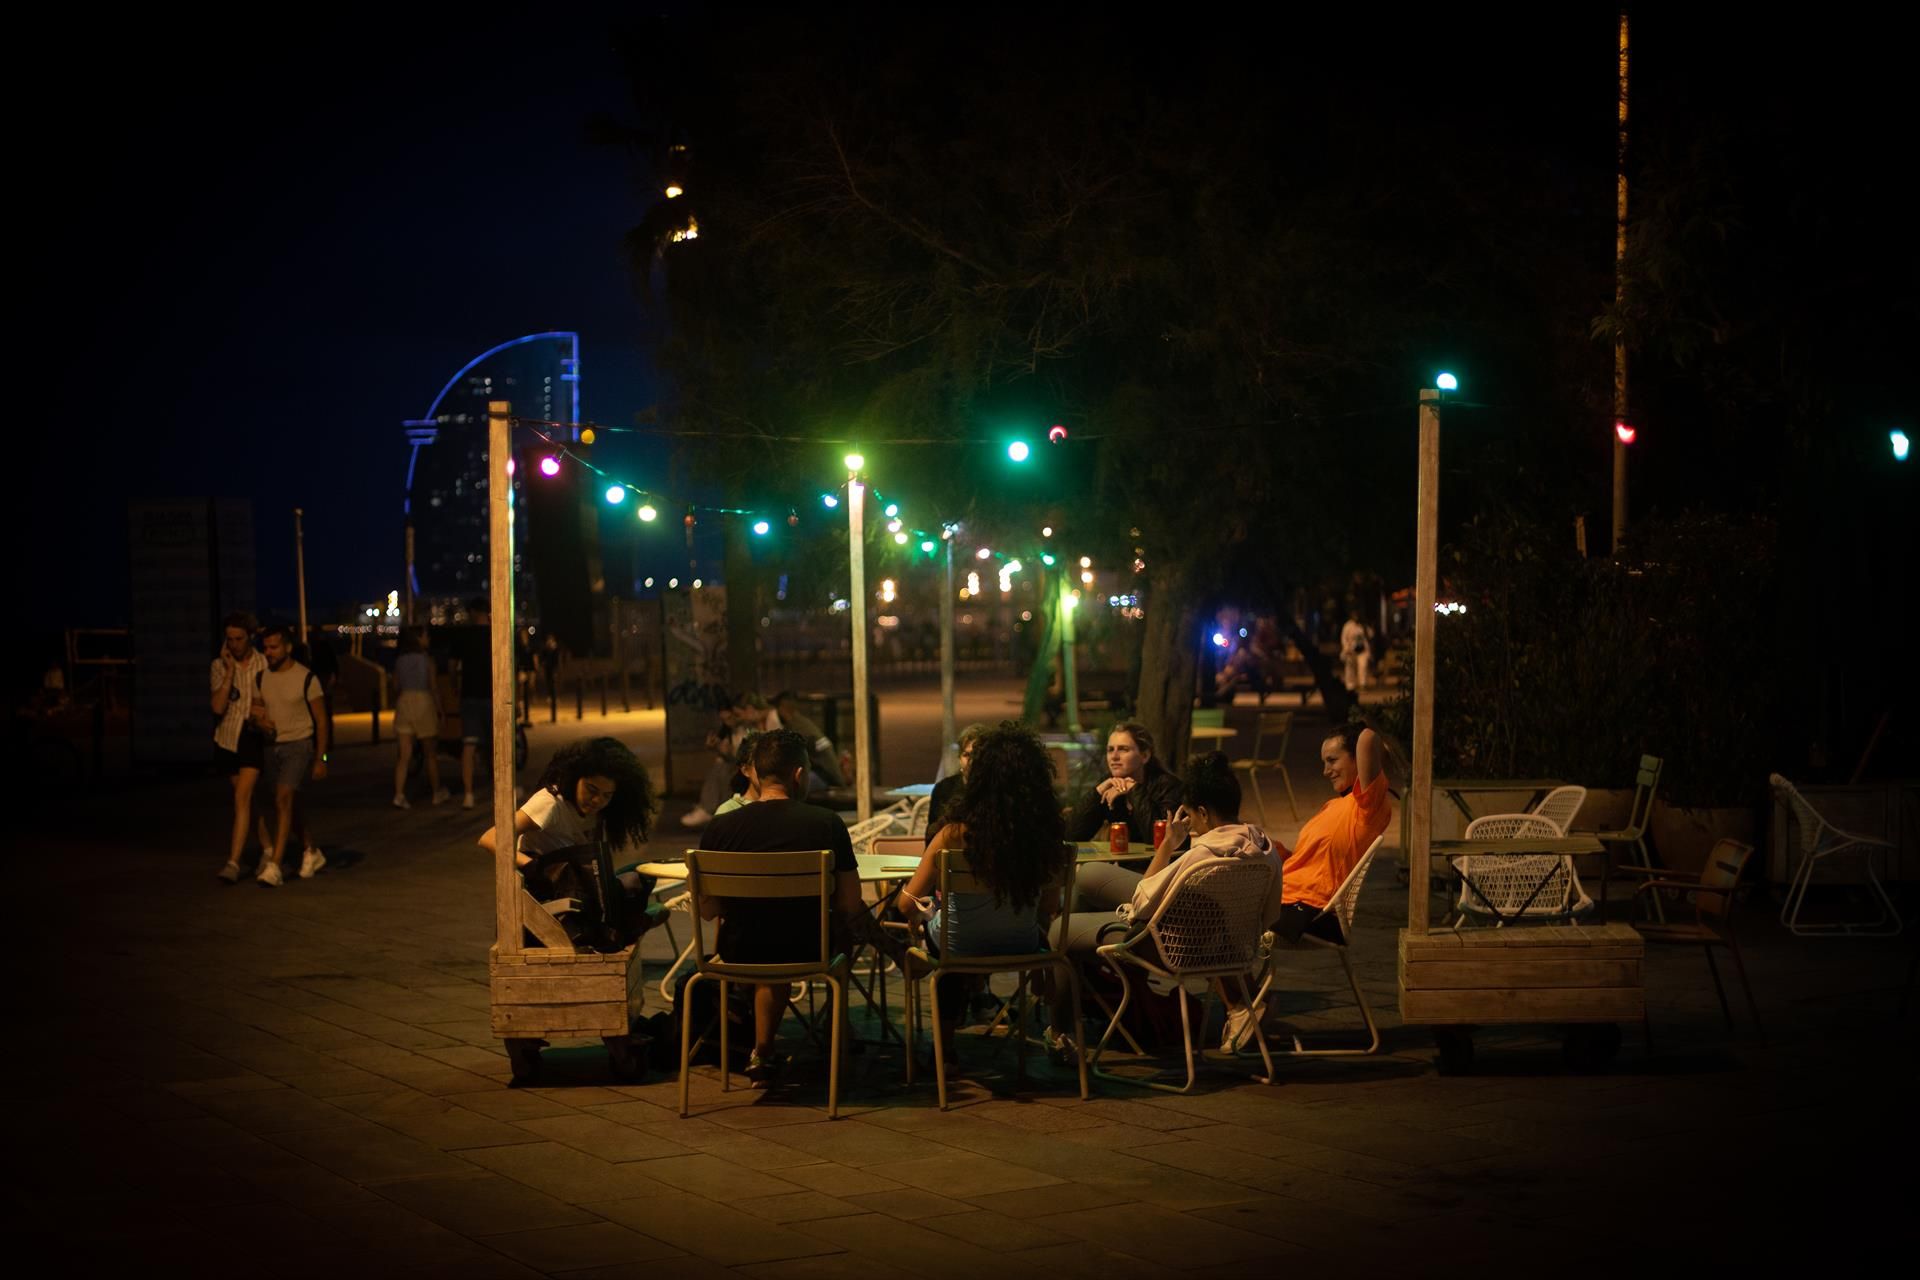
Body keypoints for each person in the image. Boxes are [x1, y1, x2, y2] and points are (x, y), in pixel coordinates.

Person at [1049, 752, 1283, 1057]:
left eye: (1190, 815)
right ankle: (1091, 986)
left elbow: (1141, 904)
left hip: (1165, 946)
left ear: (1203, 812)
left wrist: (1169, 845)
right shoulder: (1265, 849)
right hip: (1218, 942)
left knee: (1059, 929)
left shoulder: (1200, 858)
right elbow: (1270, 915)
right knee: (1089, 876)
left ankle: (1061, 1033)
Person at [694, 729, 862, 1087]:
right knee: (838, 935)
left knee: (768, 940)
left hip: (738, 952)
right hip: (807, 950)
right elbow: (850, 902)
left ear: (754, 771)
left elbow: (707, 910)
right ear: (799, 775)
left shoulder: (721, 827)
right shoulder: (826, 824)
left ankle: (764, 1051)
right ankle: (839, 1043)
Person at [894, 723, 1070, 1057]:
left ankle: (944, 1056)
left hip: (959, 942)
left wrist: (928, 911)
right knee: (952, 936)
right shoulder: (1047, 837)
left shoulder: (953, 834)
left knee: (946, 947)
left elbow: (906, 904)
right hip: (1023, 945)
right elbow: (1049, 906)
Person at [478, 737, 659, 942]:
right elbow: (489, 838)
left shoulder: (597, 813)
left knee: (639, 876)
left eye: (606, 795)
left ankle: (620, 927)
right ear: (575, 777)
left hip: (575, 886)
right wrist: (531, 865)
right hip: (545, 892)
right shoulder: (550, 803)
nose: (597, 800)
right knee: (628, 885)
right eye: (591, 790)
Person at [1272, 723, 1390, 944]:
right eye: (1324, 762)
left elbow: (1367, 737)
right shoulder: (1334, 806)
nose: (1326, 771)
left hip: (1310, 910)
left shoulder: (1368, 806)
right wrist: (1276, 852)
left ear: (1357, 757)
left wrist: (1379, 754)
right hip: (1287, 894)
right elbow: (1313, 863)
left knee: (1219, 915)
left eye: (1332, 760)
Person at [250, 624, 329, 886]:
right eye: (266, 648)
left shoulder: (307, 678)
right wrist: (259, 721)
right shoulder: (261, 678)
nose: (268, 652)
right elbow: (256, 711)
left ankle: (275, 866)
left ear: (287, 647)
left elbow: (321, 720)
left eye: (274, 647)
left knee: (283, 798)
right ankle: (311, 850)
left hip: (299, 745)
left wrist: (321, 759)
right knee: (287, 805)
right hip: (272, 747)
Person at [211, 612, 269, 883]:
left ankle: (233, 862)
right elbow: (218, 707)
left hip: (252, 737)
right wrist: (230, 671)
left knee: (241, 798)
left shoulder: (263, 663)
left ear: (250, 637)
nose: (234, 644)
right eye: (229, 639)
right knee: (248, 800)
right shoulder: (219, 666)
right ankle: (268, 849)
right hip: (227, 738)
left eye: (239, 638)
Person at [1067, 722, 1184, 850]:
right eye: (1110, 750)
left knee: (1091, 870)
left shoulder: (1168, 786)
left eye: (1123, 749)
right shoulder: (1109, 786)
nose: (1114, 757)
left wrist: (1134, 790)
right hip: (1127, 865)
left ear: (1144, 756)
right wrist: (1098, 792)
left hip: (1164, 868)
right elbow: (1071, 835)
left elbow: (1159, 841)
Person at [392, 626, 450, 809]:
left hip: (404, 701)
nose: (428, 638)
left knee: (404, 755)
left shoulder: (399, 660)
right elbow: (433, 687)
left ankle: (399, 795)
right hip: (423, 702)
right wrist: (441, 711)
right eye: (426, 635)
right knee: (430, 753)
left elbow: (395, 686)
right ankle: (437, 792)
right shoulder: (427, 660)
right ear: (418, 638)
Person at [450, 598, 496, 810]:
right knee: (497, 744)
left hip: (469, 694)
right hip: (492, 694)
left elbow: (452, 664)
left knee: (468, 745)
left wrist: (455, 685)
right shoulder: (496, 634)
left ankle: (468, 794)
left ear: (472, 612)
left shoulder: (464, 635)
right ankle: (502, 789)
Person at [925, 722, 991, 846]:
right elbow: (930, 838)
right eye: (967, 755)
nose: (972, 761)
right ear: (959, 758)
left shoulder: (996, 788)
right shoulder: (944, 789)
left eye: (978, 755)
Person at [773, 690, 845, 787]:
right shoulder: (800, 722)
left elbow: (790, 757)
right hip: (827, 774)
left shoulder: (796, 728)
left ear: (782, 708)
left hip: (825, 776)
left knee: (786, 786)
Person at [1340, 612, 1372, 692]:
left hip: (1362, 650)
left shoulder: (1363, 625)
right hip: (1351, 650)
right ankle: (1350, 686)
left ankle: (1362, 684)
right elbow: (1343, 638)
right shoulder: (1347, 626)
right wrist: (1346, 647)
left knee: (1363, 667)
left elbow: (1370, 635)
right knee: (1350, 668)